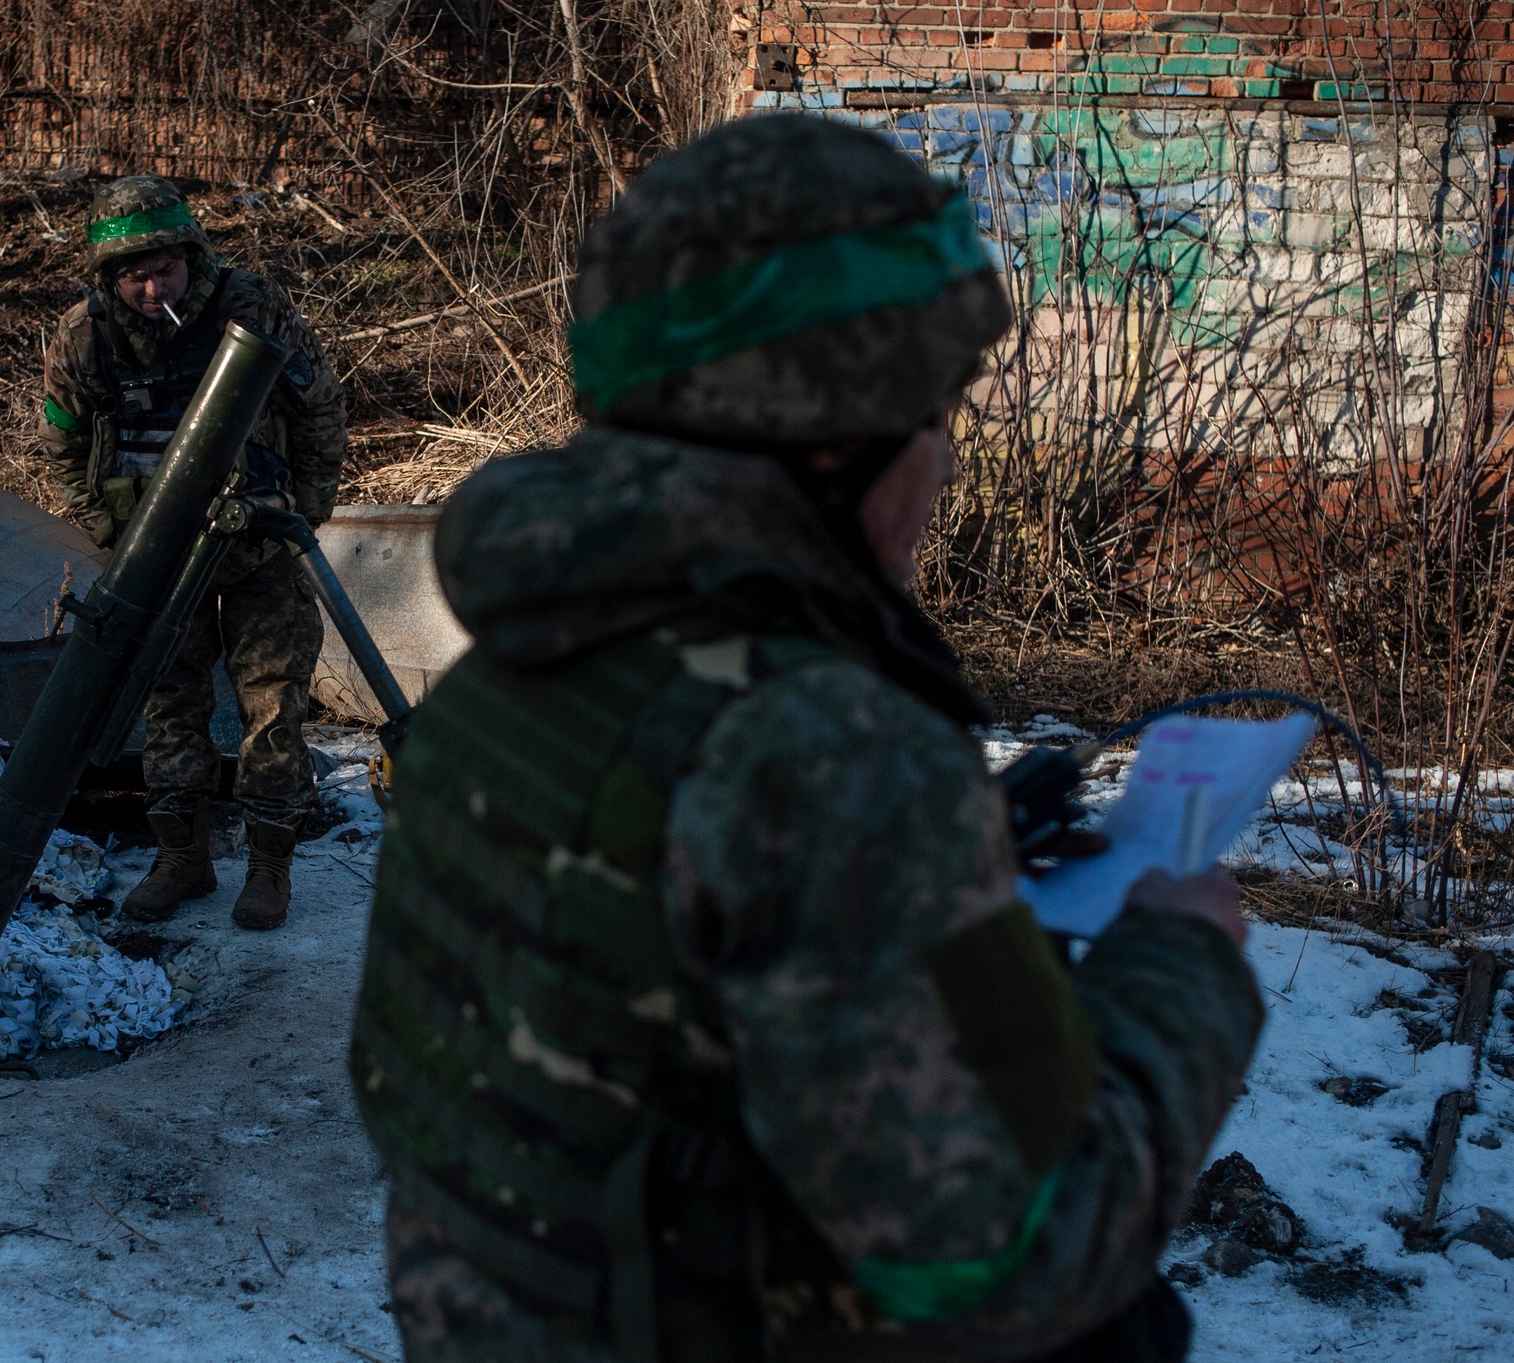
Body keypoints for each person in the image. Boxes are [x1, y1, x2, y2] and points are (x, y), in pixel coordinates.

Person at [350, 115, 1263, 1362]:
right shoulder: (818, 750)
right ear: (833, 438)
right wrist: (1180, 969)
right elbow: (1003, 1268)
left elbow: (639, 953)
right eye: (934, 414)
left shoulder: (536, 642)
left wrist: (931, 871)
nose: (943, 464)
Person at [38, 175, 347, 931]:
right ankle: (182, 857)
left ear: (192, 257)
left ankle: (270, 867)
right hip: (157, 552)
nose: (153, 287)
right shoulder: (84, 337)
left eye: (166, 270)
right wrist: (110, 529)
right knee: (169, 706)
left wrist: (305, 509)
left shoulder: (251, 305)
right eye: (135, 275)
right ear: (109, 277)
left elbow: (320, 404)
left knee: (273, 706)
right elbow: (61, 444)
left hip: (257, 541)